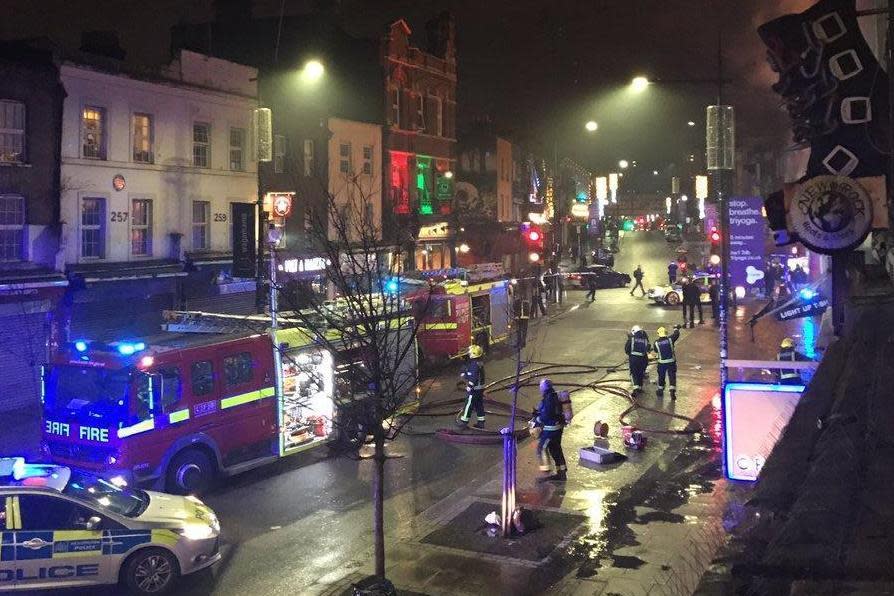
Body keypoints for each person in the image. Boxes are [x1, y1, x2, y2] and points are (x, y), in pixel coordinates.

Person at [533, 379, 567, 482]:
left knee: (541, 448)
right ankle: (561, 473)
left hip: (551, 429)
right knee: (555, 449)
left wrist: (538, 419)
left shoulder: (549, 399)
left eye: (541, 386)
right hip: (558, 428)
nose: (540, 388)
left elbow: (547, 414)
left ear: (544, 388)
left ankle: (545, 472)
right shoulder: (554, 396)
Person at [457, 344, 486, 428]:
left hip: (474, 389)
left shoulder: (474, 365)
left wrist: (469, 386)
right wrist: (465, 372)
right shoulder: (479, 363)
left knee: (468, 404)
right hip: (480, 388)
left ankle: (464, 421)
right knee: (479, 405)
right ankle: (481, 422)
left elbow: (473, 376)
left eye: (469, 353)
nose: (468, 354)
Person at [653, 325, 681, 399]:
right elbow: (676, 334)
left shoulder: (656, 343)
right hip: (671, 362)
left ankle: (660, 390)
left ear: (659, 334)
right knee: (672, 376)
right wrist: (676, 328)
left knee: (661, 376)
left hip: (661, 363)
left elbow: (655, 350)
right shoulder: (670, 339)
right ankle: (672, 391)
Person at [625, 325, 651, 395]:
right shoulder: (645, 340)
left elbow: (627, 350)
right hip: (644, 360)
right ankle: (640, 387)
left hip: (634, 359)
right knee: (640, 373)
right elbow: (648, 348)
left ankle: (636, 388)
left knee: (634, 373)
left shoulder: (632, 339)